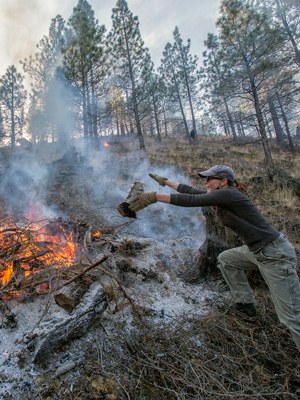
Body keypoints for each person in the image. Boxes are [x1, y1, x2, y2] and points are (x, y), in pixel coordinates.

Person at [128, 165, 300, 351]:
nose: (206, 182)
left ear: (223, 182)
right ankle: (246, 304)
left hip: (274, 254)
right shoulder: (221, 196)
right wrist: (165, 181)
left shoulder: (229, 194)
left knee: (292, 316)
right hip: (257, 251)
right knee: (227, 260)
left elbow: (191, 200)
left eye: (210, 179)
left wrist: (153, 197)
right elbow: (192, 192)